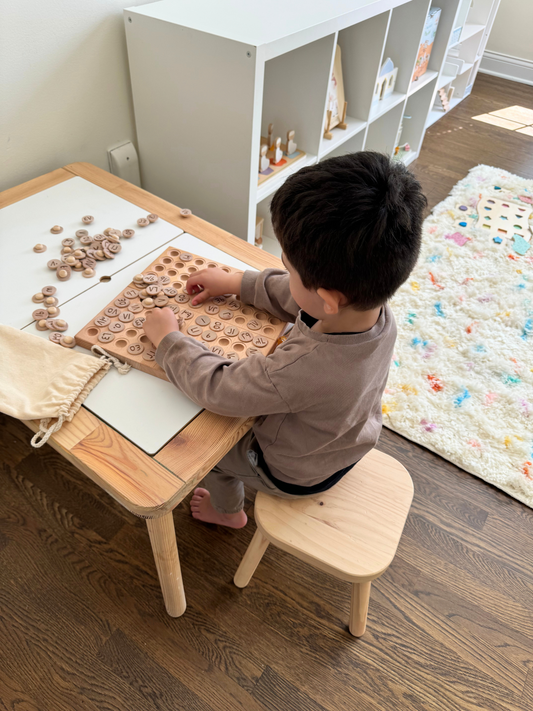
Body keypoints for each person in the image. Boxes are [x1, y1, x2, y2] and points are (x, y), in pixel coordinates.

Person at [143, 151, 426, 529]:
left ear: (327, 298)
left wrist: (170, 341)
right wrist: (235, 283)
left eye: (288, 268)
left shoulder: (301, 368)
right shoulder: (374, 312)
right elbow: (303, 300)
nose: (284, 273)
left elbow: (220, 390)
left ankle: (227, 513)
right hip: (346, 445)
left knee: (210, 451)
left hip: (292, 473)